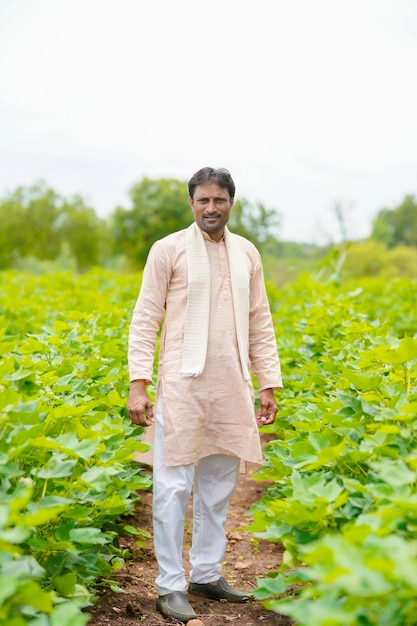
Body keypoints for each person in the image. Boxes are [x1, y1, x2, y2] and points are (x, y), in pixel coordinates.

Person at [127, 167, 282, 622]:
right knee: (173, 487)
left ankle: (207, 574)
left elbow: (260, 322)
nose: (211, 208)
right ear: (191, 203)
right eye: (202, 201)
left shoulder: (246, 253)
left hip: (231, 386)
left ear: (231, 203)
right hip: (181, 386)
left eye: (219, 200)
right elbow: (145, 318)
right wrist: (140, 383)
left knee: (219, 487)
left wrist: (268, 383)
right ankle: (170, 585)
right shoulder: (168, 250)